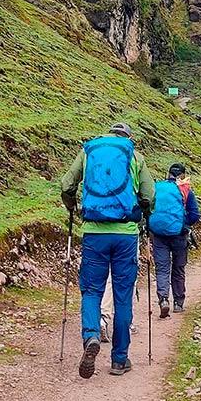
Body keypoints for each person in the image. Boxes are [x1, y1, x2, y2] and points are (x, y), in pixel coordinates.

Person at [61, 123, 154, 378]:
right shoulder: (135, 156)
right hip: (125, 235)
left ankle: (91, 335)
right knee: (122, 295)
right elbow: (148, 195)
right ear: (127, 139)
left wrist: (72, 207)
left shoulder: (89, 152)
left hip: (94, 233)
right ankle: (119, 360)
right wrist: (144, 214)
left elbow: (67, 184)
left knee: (91, 290)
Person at [149, 163, 200, 318]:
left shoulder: (156, 187)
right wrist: (184, 224)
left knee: (162, 268)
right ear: (182, 175)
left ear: (168, 173)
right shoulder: (185, 190)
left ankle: (163, 299)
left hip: (158, 235)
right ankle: (178, 303)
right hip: (179, 235)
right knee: (178, 268)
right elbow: (195, 214)